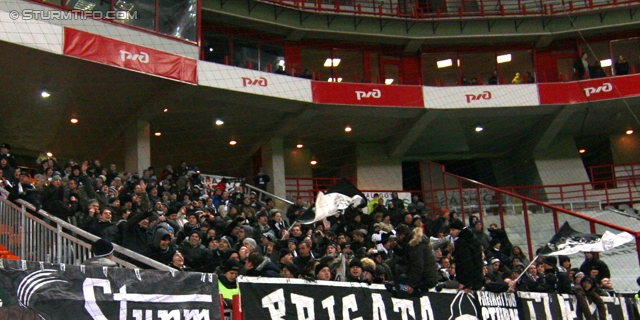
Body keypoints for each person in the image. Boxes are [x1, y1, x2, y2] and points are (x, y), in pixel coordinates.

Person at [394, 224, 438, 295]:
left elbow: (417, 266)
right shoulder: (414, 243)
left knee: (398, 286)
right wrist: (396, 248)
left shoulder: (416, 245)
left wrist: (411, 284)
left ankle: (415, 291)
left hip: (425, 279)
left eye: (397, 236)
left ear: (402, 236)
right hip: (427, 277)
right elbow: (407, 258)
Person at [449, 219, 484, 291]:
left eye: (453, 230)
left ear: (459, 230)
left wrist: (466, 284)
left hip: (468, 283)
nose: (450, 232)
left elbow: (466, 263)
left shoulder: (462, 243)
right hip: (477, 279)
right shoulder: (473, 238)